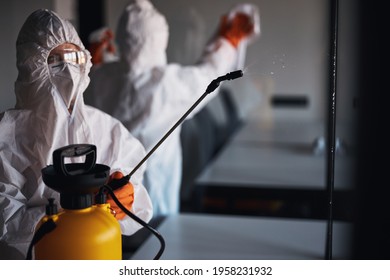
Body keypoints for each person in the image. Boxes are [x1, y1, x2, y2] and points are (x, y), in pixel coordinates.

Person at [0, 9, 153, 259]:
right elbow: (6, 223)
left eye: (74, 58)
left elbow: (138, 204)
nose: (69, 70)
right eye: (55, 61)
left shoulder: (108, 129)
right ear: (31, 65)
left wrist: (126, 200)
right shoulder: (6, 135)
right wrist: (80, 210)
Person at [85, 0, 260, 216]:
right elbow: (209, 74)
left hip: (108, 199)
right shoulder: (167, 84)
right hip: (155, 202)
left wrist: (97, 57)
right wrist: (228, 39)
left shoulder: (102, 76)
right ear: (161, 38)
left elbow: (116, 79)